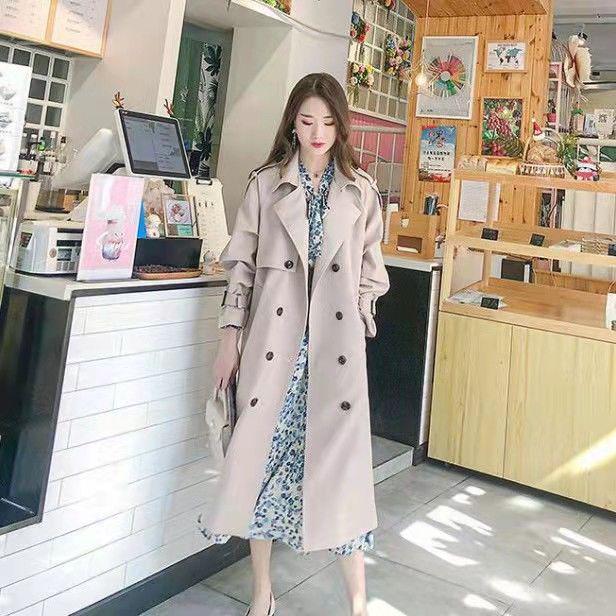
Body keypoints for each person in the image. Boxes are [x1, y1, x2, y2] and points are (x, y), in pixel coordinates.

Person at [197, 72, 390, 616]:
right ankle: (262, 591)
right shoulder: (265, 185)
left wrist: (360, 316)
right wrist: (230, 339)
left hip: (335, 354)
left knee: (343, 474)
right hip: (275, 349)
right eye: (307, 121)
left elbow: (373, 269)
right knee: (262, 465)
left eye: (328, 122)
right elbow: (240, 270)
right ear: (292, 124)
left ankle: (358, 603)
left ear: (341, 126)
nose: (317, 132)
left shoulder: (361, 189)